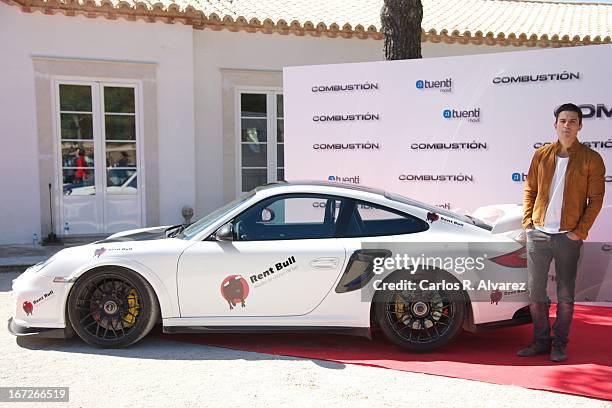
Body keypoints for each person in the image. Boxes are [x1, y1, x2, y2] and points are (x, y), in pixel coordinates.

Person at [518, 103, 605, 362]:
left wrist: (580, 231)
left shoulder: (591, 159)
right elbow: (529, 189)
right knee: (535, 293)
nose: (567, 125)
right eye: (563, 120)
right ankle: (540, 341)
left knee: (565, 296)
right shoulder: (542, 155)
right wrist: (528, 223)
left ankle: (560, 344)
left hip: (568, 236)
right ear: (555, 124)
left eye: (572, 121)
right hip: (539, 234)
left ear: (580, 126)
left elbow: (596, 199)